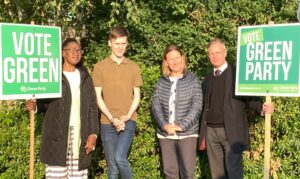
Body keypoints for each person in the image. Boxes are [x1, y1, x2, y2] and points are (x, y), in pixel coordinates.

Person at [198, 38, 275, 179]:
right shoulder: (207, 79)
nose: (215, 56)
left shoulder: (237, 74)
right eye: (211, 53)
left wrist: (261, 107)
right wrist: (203, 133)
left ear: (225, 52)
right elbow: (204, 107)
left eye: (218, 52)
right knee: (217, 174)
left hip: (231, 131)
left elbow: (249, 98)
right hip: (211, 132)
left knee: (234, 173)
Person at [26, 38, 99, 178]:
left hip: (80, 135)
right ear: (62, 53)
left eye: (78, 50)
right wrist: (35, 106)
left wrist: (93, 134)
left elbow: (92, 107)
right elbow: (44, 102)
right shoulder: (53, 76)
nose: (76, 53)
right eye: (71, 50)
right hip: (57, 136)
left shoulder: (85, 78)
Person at [92, 26, 142, 179]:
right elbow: (98, 97)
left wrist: (126, 116)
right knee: (112, 167)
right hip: (107, 122)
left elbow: (137, 96)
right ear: (109, 43)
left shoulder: (133, 67)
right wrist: (112, 118)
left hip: (128, 121)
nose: (120, 47)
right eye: (117, 43)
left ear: (127, 44)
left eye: (123, 43)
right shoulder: (99, 67)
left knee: (120, 158)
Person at [151, 45, 203, 179]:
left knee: (188, 172)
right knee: (170, 172)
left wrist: (182, 126)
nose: (175, 62)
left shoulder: (193, 80)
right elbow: (156, 105)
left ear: (182, 58)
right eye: (170, 59)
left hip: (188, 134)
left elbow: (197, 106)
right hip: (165, 134)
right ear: (166, 62)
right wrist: (164, 125)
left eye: (177, 58)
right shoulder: (161, 82)